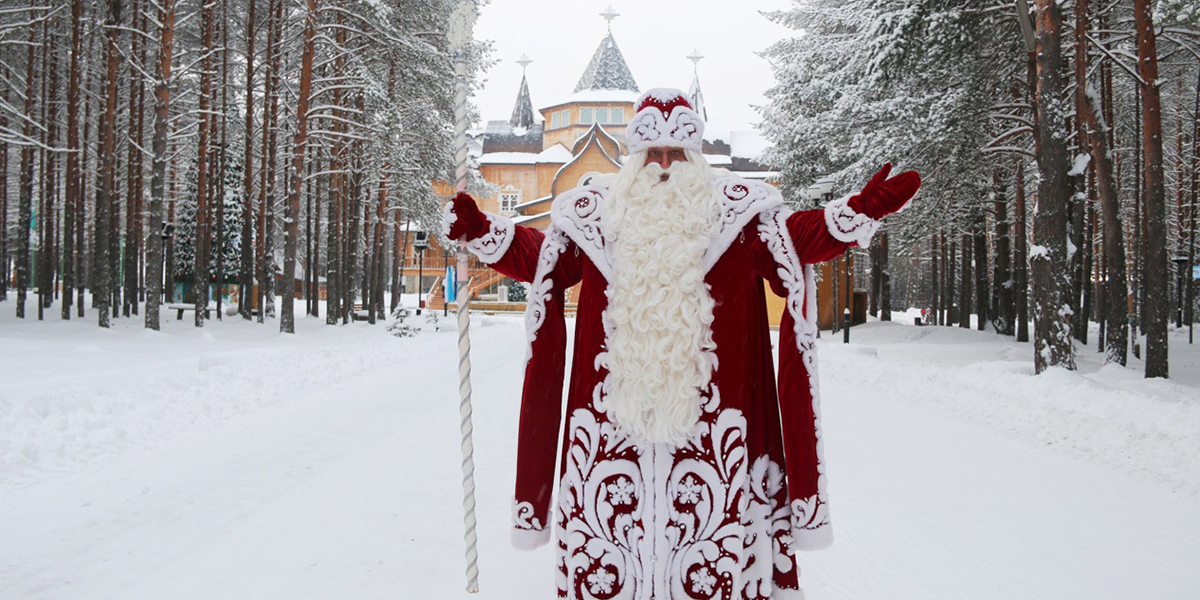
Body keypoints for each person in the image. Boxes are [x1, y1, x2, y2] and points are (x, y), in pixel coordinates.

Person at [444, 88, 920, 600]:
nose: (664, 164)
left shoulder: (736, 216)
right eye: (653, 153)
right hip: (612, 440)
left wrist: (858, 212)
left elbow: (797, 237)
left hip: (713, 439)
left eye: (676, 153)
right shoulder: (596, 215)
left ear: (695, 158)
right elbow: (541, 259)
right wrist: (482, 231)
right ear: (634, 158)